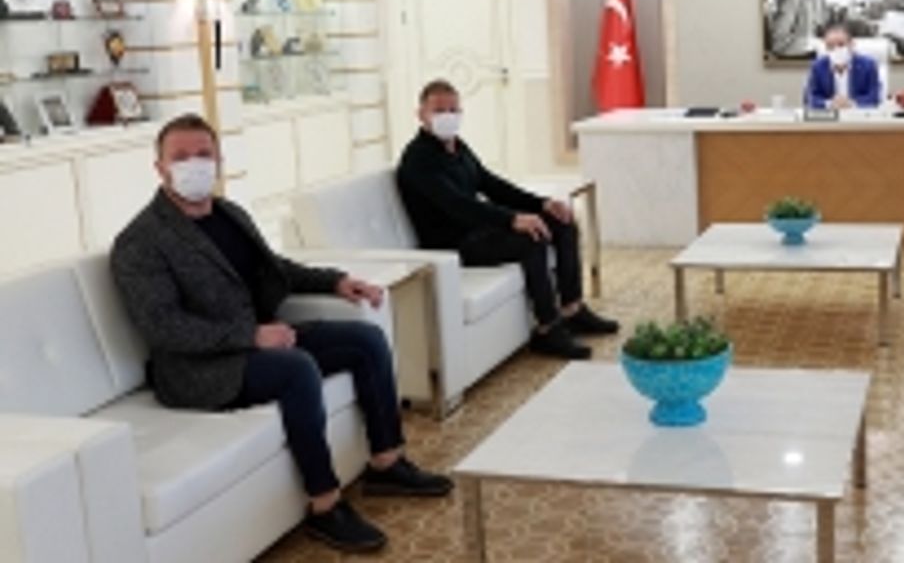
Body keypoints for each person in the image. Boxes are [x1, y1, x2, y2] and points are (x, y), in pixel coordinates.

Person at [111, 114, 451, 554]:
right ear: (159, 167)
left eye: (204, 154)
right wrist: (251, 336)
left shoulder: (230, 213)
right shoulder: (140, 241)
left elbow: (276, 270)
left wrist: (336, 282)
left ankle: (386, 462)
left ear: (219, 161)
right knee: (296, 369)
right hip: (201, 368)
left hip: (262, 341)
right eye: (180, 157)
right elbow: (163, 327)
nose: (194, 164)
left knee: (364, 341)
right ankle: (325, 505)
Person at [396, 79, 619, 361]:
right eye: (439, 111)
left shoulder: (457, 147)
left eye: (453, 110)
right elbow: (458, 205)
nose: (447, 117)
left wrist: (542, 204)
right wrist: (512, 219)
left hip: (478, 229)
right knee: (531, 239)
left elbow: (491, 185)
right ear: (421, 114)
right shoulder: (417, 160)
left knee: (562, 222)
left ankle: (572, 309)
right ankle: (547, 329)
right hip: (454, 244)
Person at [804, 22, 882, 109]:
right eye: (830, 46)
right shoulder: (818, 66)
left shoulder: (868, 65)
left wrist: (851, 104)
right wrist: (830, 104)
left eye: (841, 44)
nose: (836, 49)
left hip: (858, 115)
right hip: (830, 115)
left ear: (851, 44)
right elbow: (809, 98)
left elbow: (874, 97)